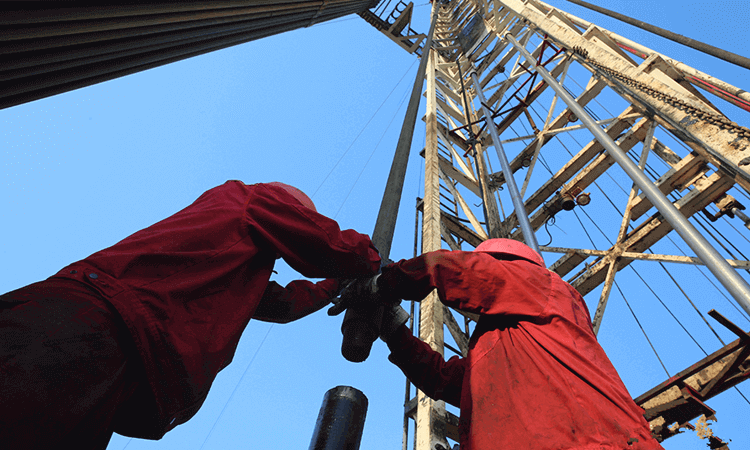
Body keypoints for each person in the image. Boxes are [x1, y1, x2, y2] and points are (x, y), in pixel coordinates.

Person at [0, 180, 381, 449]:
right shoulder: (251, 199)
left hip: (108, 347)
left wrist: (336, 286)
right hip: (94, 326)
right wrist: (371, 261)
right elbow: (327, 244)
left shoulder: (230, 258)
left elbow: (280, 305)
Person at [369, 239, 663, 449]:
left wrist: (386, 281)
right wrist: (393, 330)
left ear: (504, 265)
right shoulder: (500, 349)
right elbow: (442, 379)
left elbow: (457, 269)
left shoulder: (544, 286)